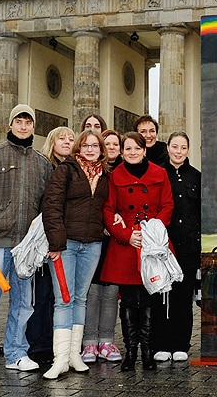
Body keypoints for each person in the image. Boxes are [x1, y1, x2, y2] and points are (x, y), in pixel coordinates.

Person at [0, 104, 52, 376]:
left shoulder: (42, 163)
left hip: (26, 248)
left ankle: (17, 353)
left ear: (33, 126)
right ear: (10, 124)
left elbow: (45, 208)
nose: (23, 126)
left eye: (28, 122)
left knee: (23, 303)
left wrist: (41, 244)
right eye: (19, 121)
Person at [99, 132, 174, 371]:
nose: (132, 152)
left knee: (151, 297)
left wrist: (153, 231)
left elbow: (167, 205)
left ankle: (148, 354)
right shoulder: (114, 176)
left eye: (137, 148)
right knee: (129, 301)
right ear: (122, 152)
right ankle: (131, 354)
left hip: (152, 241)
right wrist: (125, 235)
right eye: (128, 149)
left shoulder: (159, 174)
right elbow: (108, 210)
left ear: (144, 150)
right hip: (126, 243)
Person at [42, 129, 110, 379]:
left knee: (80, 298)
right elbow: (51, 205)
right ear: (78, 148)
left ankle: (74, 354)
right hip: (66, 245)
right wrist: (56, 242)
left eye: (95, 145)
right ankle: (59, 358)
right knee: (64, 299)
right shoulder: (66, 170)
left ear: (101, 150)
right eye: (85, 145)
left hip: (92, 244)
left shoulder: (105, 175)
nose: (90, 149)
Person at [27, 126, 76, 365]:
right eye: (62, 138)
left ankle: (56, 344)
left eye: (71, 139)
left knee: (62, 295)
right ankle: (39, 344)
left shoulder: (76, 169)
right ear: (51, 141)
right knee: (42, 293)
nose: (67, 142)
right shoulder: (44, 166)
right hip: (44, 239)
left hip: (66, 240)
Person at [153, 131, 201, 362]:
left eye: (183, 147)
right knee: (162, 296)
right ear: (168, 148)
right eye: (174, 146)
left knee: (183, 297)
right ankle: (161, 344)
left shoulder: (197, 177)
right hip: (164, 246)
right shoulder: (158, 174)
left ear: (188, 150)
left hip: (188, 247)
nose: (178, 151)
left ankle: (181, 343)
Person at [81, 129, 124, 364]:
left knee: (109, 292)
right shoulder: (92, 172)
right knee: (92, 290)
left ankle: (106, 340)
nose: (111, 147)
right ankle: (89, 343)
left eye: (115, 143)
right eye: (107, 143)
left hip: (113, 239)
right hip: (94, 236)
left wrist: (114, 222)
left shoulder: (116, 174)